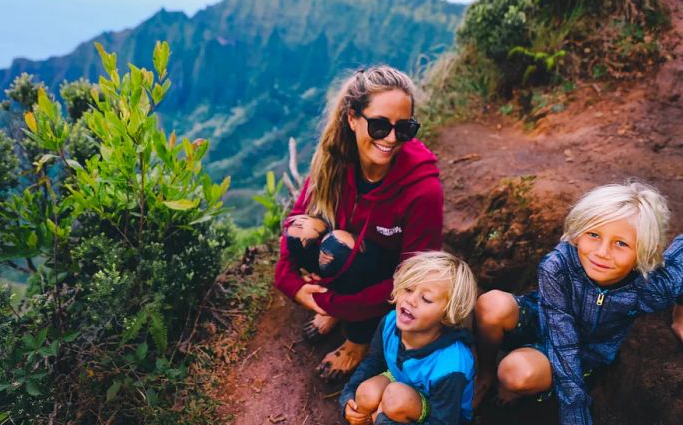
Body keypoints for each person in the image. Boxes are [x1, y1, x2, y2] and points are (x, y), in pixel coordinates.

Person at [273, 66, 443, 381]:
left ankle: (357, 341)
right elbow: (293, 224)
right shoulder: (335, 158)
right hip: (346, 259)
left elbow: (415, 280)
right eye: (379, 126)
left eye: (403, 128)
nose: (391, 139)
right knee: (302, 231)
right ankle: (335, 304)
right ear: (353, 118)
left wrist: (335, 304)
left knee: (338, 248)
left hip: (385, 279)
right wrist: (295, 286)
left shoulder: (422, 189)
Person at [473, 181, 683, 425]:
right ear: (578, 232)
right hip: (545, 318)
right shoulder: (558, 266)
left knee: (515, 373)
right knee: (491, 304)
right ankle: (485, 372)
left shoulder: (649, 288)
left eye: (621, 243)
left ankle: (525, 378)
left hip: (587, 349)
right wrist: (575, 409)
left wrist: (679, 317)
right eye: (593, 234)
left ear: (646, 251)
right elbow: (561, 338)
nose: (602, 252)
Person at [339, 251, 477, 425]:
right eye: (408, 289)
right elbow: (373, 362)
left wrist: (382, 420)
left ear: (447, 314)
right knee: (366, 394)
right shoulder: (390, 322)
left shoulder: (451, 366)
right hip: (401, 382)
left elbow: (443, 421)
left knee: (395, 398)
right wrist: (348, 396)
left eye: (426, 299)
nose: (411, 300)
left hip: (440, 412)